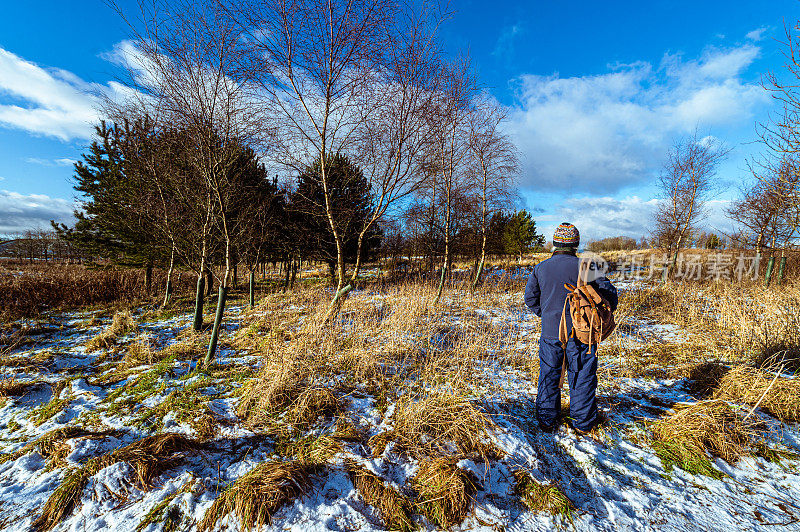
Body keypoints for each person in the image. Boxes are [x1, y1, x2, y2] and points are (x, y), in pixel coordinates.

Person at [524, 222, 618, 434]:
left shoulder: (540, 268)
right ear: (576, 244)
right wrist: (597, 314)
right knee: (582, 375)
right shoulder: (588, 266)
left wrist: (546, 314)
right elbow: (611, 296)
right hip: (583, 332)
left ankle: (547, 420)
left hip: (550, 332)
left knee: (549, 374)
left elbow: (530, 299)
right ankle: (583, 424)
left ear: (555, 244)